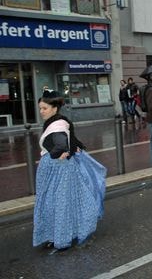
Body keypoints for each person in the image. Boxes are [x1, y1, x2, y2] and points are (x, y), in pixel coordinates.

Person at [33, 90, 106, 251]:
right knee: (62, 202)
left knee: (58, 203)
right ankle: (60, 235)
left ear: (54, 108)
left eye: (44, 108)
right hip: (60, 168)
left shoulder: (57, 124)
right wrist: (72, 148)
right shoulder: (59, 121)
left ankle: (60, 237)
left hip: (58, 169)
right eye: (40, 108)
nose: (41, 111)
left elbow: (60, 144)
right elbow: (69, 141)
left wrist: (56, 154)